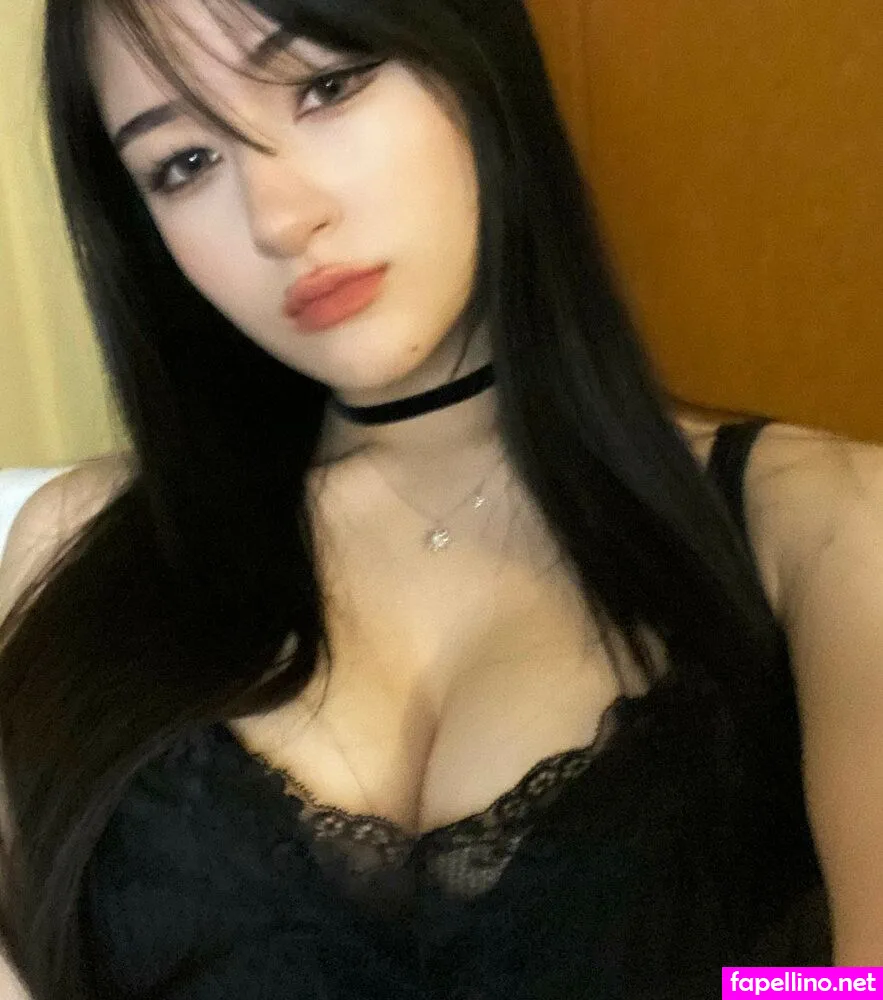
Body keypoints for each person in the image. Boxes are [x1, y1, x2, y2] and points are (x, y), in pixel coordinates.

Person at [1, 0, 881, 996]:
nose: (279, 218)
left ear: (471, 57)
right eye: (184, 163)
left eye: (327, 85)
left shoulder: (820, 528)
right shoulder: (77, 548)